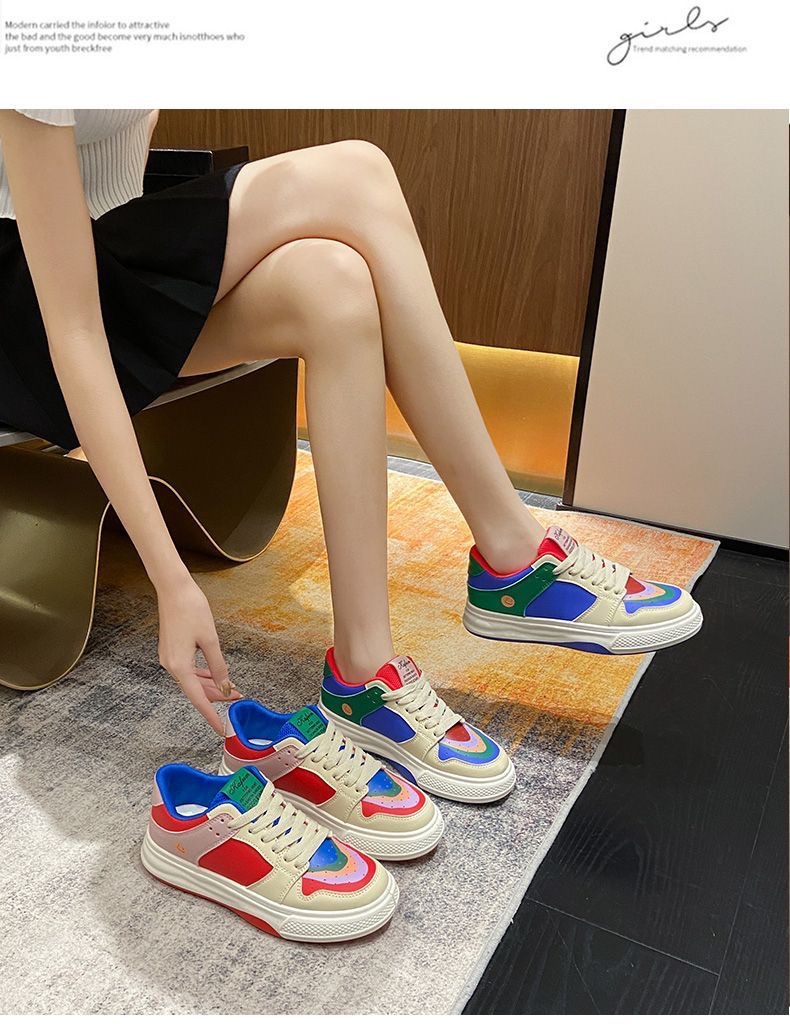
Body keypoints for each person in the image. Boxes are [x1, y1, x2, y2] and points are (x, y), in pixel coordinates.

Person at [0, 109, 702, 801]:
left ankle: (363, 673)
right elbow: (74, 330)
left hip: (106, 268)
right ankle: (512, 552)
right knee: (360, 172)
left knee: (335, 283)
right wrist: (171, 580)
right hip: (28, 308)